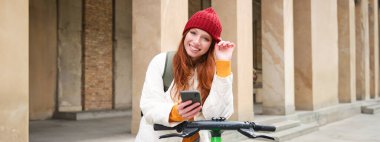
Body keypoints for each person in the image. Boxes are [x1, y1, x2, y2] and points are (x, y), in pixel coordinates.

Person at [135, 7, 235, 142]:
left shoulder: (216, 72)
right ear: (185, 34)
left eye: (205, 38)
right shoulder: (161, 62)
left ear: (211, 45)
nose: (196, 41)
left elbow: (218, 115)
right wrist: (175, 113)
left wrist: (223, 64)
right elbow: (148, 107)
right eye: (193, 33)